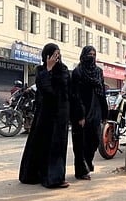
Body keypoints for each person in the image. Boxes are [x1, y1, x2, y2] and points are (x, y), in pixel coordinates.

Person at [19, 43, 71, 189]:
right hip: (44, 115)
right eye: (54, 54)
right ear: (46, 56)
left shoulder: (63, 70)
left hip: (59, 115)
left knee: (57, 147)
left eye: (58, 54)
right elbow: (46, 91)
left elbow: (60, 93)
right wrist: (48, 69)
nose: (57, 57)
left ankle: (55, 178)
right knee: (40, 145)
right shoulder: (41, 70)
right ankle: (36, 175)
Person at [70, 46, 108, 180]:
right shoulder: (77, 72)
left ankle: (88, 162)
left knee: (94, 139)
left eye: (93, 54)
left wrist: (105, 113)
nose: (91, 57)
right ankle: (81, 170)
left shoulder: (98, 72)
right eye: (89, 54)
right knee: (81, 142)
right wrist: (80, 115)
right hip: (82, 111)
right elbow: (75, 95)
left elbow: (102, 92)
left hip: (96, 110)